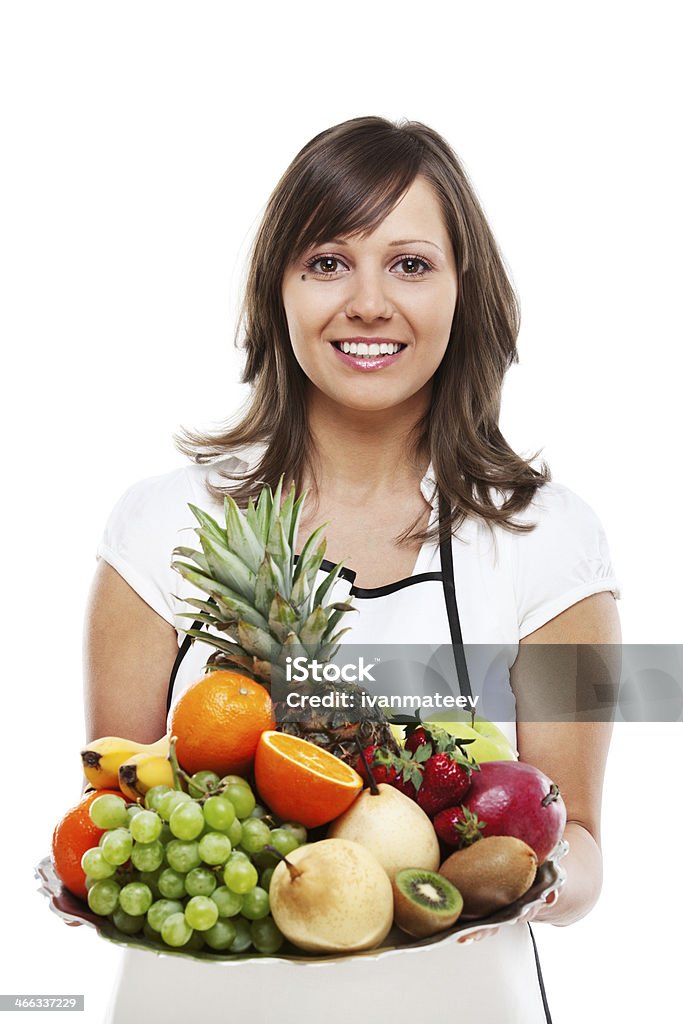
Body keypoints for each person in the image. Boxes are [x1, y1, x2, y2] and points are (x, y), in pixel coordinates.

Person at [86, 116, 621, 1024]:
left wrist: (530, 874)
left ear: (464, 289)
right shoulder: (161, 524)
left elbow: (583, 849)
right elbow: (115, 804)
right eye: (327, 262)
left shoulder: (552, 541)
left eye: (410, 264)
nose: (368, 303)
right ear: (277, 291)